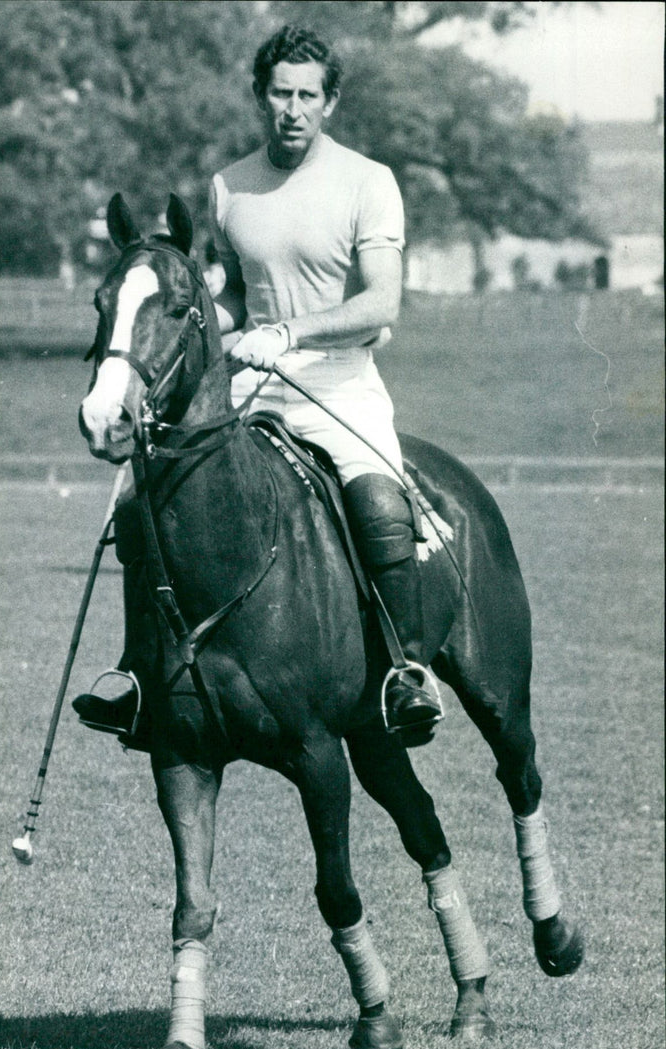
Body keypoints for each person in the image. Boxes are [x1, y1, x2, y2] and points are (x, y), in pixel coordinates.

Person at [74, 24, 442, 745]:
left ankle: (405, 672)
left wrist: (293, 332)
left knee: (378, 502)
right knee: (143, 497)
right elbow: (237, 295)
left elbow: (381, 303)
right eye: (280, 93)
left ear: (330, 102)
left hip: (340, 384)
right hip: (252, 384)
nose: (293, 109)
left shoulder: (369, 182)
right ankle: (138, 675)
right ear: (260, 96)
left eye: (308, 95)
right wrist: (222, 328)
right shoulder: (229, 187)